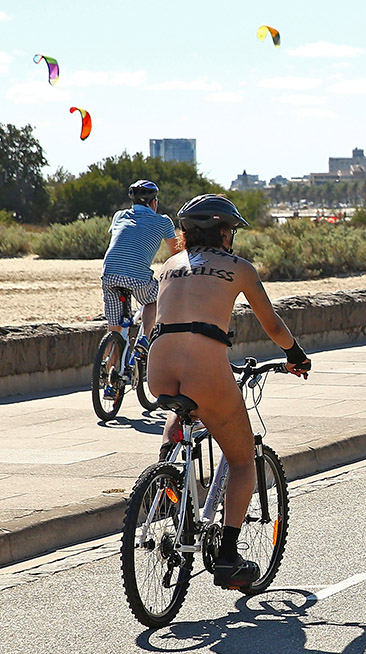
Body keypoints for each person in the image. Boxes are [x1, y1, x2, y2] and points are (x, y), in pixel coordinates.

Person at [146, 194, 311, 589]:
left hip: (159, 366)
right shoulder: (238, 268)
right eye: (231, 231)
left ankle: (171, 471)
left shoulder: (168, 266)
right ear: (223, 233)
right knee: (241, 460)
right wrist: (295, 355)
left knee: (184, 410)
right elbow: (271, 324)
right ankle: (228, 556)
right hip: (206, 368)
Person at [101, 180, 178, 345]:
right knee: (153, 300)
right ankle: (145, 339)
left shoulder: (119, 216)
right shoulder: (164, 222)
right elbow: (176, 254)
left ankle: (111, 367)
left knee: (114, 329)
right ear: (154, 202)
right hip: (137, 277)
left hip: (109, 274)